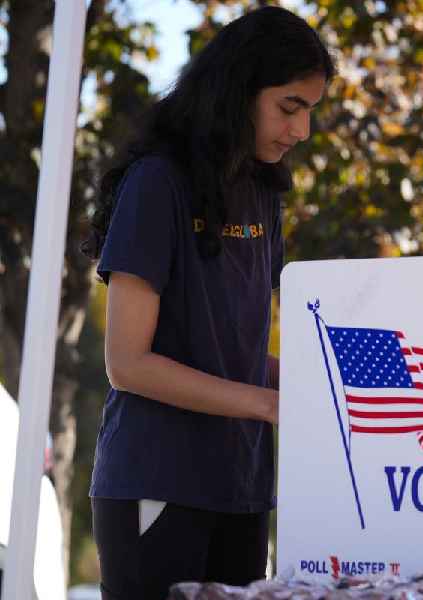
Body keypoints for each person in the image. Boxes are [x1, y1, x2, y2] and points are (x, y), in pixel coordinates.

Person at [80, 7, 335, 600]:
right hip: (158, 483)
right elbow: (127, 363)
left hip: (244, 488)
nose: (300, 131)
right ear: (238, 88)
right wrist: (267, 403)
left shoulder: (264, 192)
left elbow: (238, 355)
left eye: (309, 113)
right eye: (288, 107)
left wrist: (318, 388)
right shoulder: (157, 182)